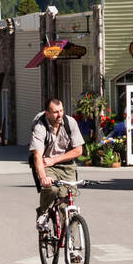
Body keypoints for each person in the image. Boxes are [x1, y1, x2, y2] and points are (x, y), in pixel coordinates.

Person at [29, 98, 84, 232]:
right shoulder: (40, 127)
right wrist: (43, 178)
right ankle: (43, 213)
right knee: (52, 189)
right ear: (47, 113)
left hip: (66, 164)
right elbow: (37, 155)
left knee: (66, 204)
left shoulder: (69, 123)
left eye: (61, 111)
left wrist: (55, 160)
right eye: (55, 112)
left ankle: (71, 248)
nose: (60, 115)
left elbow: (78, 150)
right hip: (46, 165)